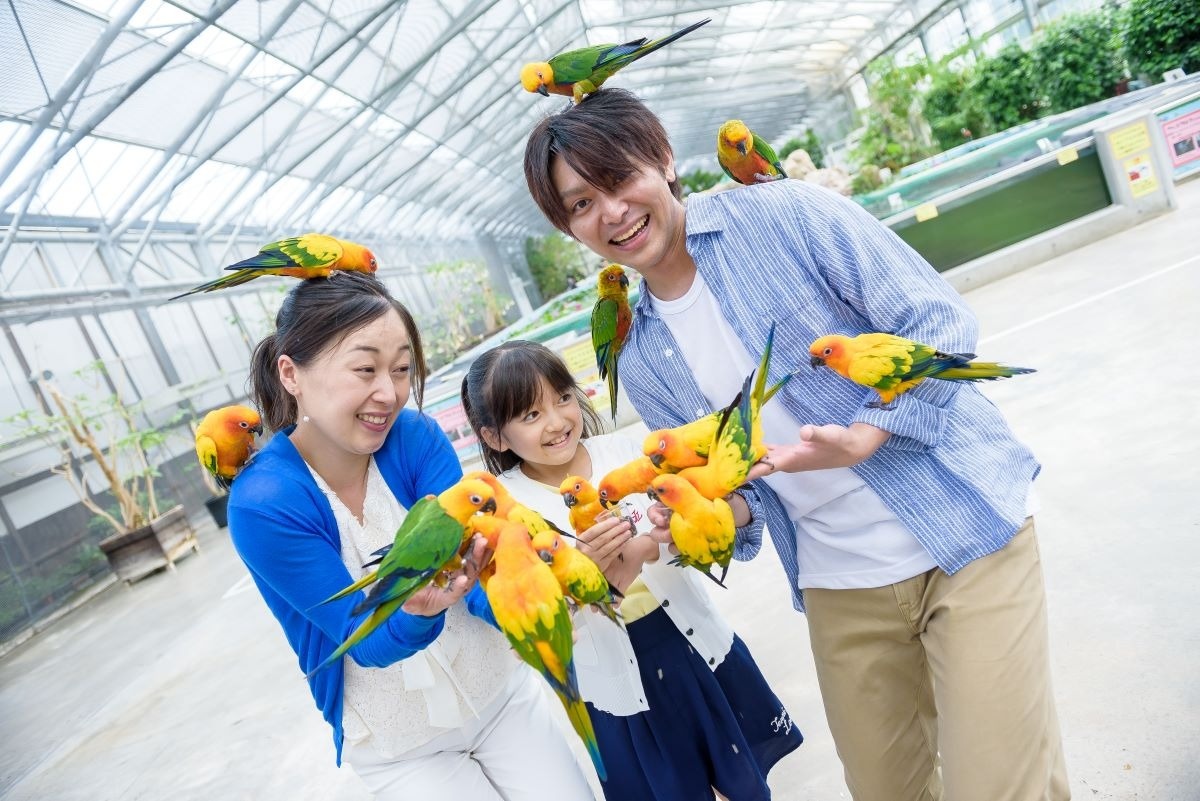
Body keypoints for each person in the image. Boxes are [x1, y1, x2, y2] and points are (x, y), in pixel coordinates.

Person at [522, 88, 1069, 801]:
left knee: (1002, 784)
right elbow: (741, 484)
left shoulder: (782, 214)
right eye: (581, 205)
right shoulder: (643, 350)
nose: (611, 213)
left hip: (962, 530)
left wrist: (868, 433)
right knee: (887, 788)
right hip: (840, 582)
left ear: (661, 158)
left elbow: (936, 321)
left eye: (618, 180)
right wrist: (694, 518)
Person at [226, 272, 595, 800]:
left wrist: (536, 607)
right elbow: (365, 642)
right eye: (365, 368)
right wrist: (419, 612)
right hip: (400, 746)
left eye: (401, 368)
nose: (389, 392)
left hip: (499, 694)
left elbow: (484, 565)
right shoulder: (265, 504)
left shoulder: (416, 438)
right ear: (291, 373)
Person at [459, 339, 803, 801]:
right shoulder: (504, 508)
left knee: (743, 786)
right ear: (494, 436)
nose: (559, 421)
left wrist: (659, 539)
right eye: (531, 415)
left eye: (562, 398)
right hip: (613, 687)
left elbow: (724, 519)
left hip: (693, 647)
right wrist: (594, 579)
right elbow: (531, 619)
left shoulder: (630, 452)